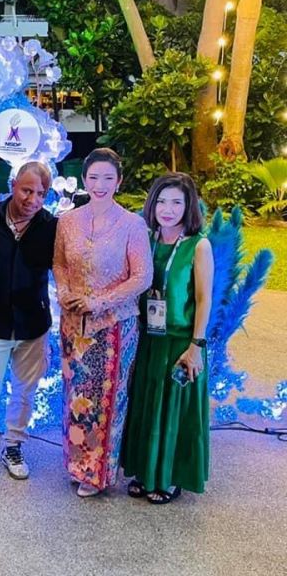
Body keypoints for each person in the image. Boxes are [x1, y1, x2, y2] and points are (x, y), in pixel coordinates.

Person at [52, 148, 153, 498]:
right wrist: (64, 292)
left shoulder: (132, 224)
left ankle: (97, 473)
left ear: (119, 181)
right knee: (76, 396)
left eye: (108, 178)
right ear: (84, 179)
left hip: (113, 327)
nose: (100, 184)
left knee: (105, 398)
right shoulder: (68, 221)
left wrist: (98, 302)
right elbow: (59, 264)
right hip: (73, 325)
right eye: (93, 177)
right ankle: (76, 464)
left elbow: (141, 277)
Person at [121, 173, 213, 504]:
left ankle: (169, 478)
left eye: (176, 202)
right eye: (161, 201)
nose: (167, 209)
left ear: (189, 206)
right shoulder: (144, 238)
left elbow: (203, 299)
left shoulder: (198, 245)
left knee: (172, 410)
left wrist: (196, 346)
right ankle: (143, 471)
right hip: (147, 338)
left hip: (179, 340)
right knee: (146, 405)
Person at [0, 161, 58, 486]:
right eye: (27, 191)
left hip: (34, 323)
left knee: (25, 391)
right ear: (13, 185)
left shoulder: (51, 225)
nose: (33, 199)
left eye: (41, 194)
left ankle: (14, 446)